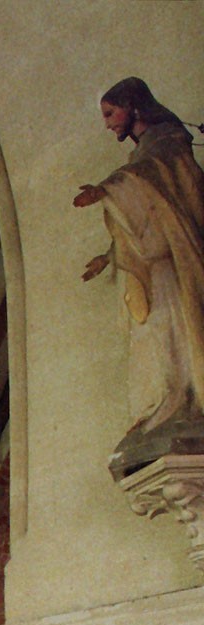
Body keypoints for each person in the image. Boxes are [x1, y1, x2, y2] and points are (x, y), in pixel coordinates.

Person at [75, 78, 204, 438]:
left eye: (110, 113)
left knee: (175, 327)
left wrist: (106, 188)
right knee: (154, 333)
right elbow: (143, 218)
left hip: (174, 262)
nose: (107, 123)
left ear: (132, 107)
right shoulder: (141, 155)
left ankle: (185, 398)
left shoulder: (168, 141)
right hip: (152, 265)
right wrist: (109, 256)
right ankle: (166, 400)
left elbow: (159, 185)